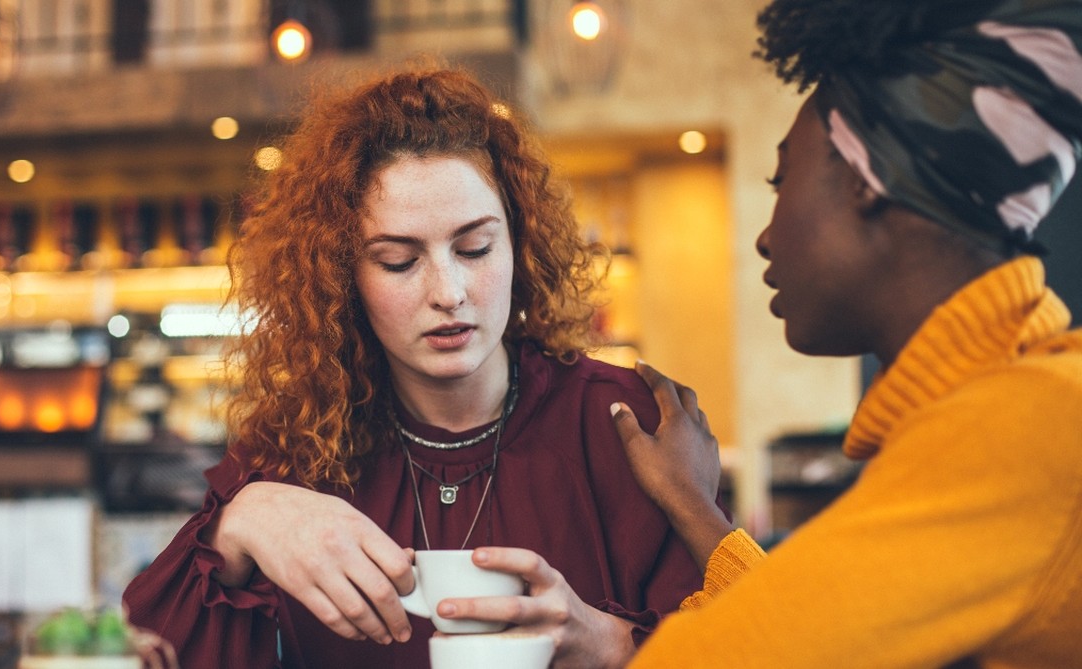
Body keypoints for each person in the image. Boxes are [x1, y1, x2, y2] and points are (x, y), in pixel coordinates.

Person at [122, 65, 712, 668]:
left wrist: (616, 647)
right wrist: (239, 526)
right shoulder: (300, 447)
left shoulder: (621, 424)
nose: (449, 292)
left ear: (519, 242)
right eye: (399, 261)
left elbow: (749, 639)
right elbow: (143, 651)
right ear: (343, 279)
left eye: (475, 248)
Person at [599, 0, 1082, 666]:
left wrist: (615, 640)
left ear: (863, 180)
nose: (766, 236)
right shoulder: (1016, 401)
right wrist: (693, 503)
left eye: (783, 177)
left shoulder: (1024, 426)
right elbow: (816, 627)